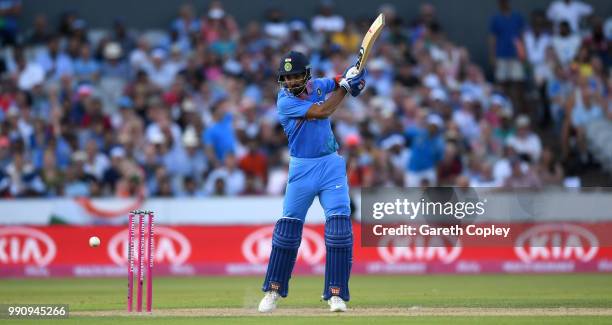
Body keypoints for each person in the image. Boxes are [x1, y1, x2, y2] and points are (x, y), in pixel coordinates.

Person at [258, 51, 366, 313]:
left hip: (331, 165)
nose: (292, 82)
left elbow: (336, 80)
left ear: (305, 74)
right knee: (287, 232)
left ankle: (336, 294)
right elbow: (323, 111)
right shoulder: (284, 101)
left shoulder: (317, 85)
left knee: (340, 229)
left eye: (296, 76)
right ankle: (273, 290)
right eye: (288, 78)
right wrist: (346, 89)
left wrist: (352, 77)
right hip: (301, 169)